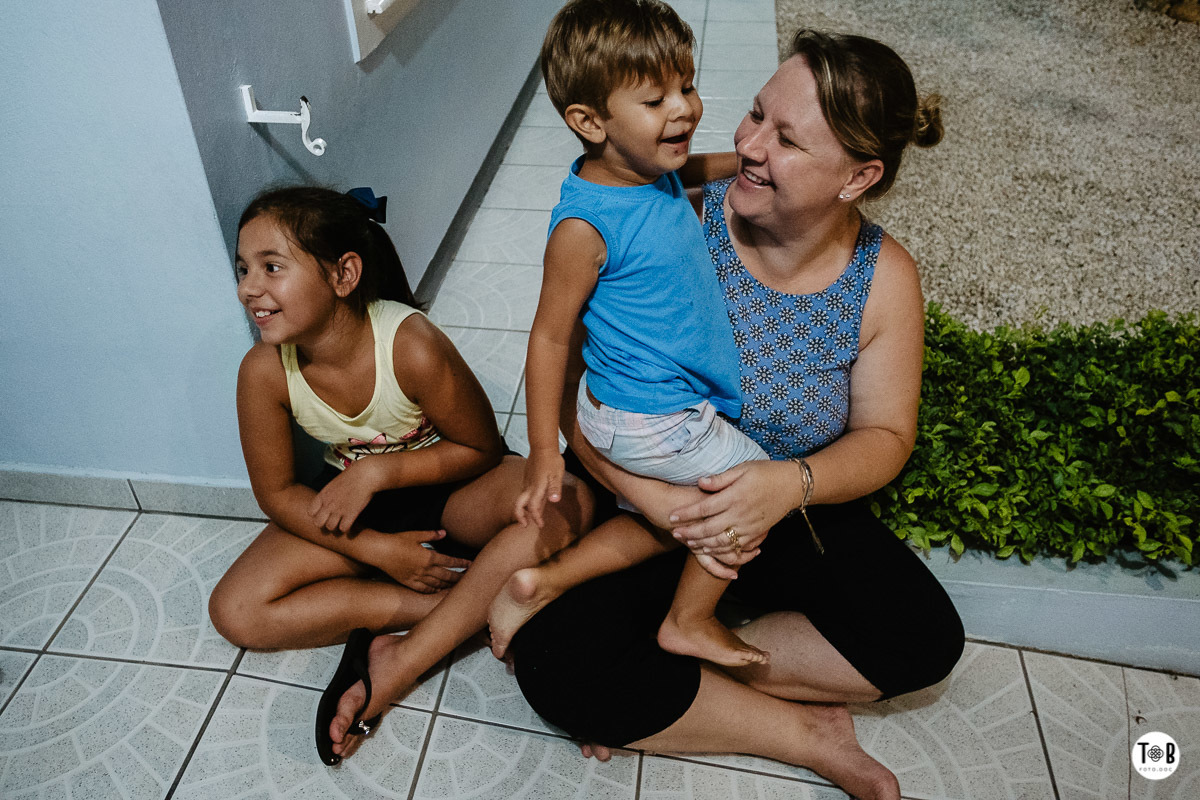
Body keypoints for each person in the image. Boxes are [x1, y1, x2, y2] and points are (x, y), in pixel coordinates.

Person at [503, 30, 966, 800]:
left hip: (786, 509)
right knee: (558, 665)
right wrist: (650, 498)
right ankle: (802, 734)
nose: (747, 144)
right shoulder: (669, 215)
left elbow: (886, 436)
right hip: (660, 509)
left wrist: (790, 484)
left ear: (858, 176)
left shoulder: (883, 278)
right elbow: (581, 388)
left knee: (922, 640)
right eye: (755, 114)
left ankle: (682, 668)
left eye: (786, 139)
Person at [207, 186, 589, 764]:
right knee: (236, 611)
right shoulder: (263, 371)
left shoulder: (409, 344)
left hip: (454, 486)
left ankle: (455, 605)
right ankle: (460, 609)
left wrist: (376, 473)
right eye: (243, 269)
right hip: (359, 509)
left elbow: (481, 448)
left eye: (271, 267)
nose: (248, 288)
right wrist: (380, 550)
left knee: (567, 502)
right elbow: (277, 494)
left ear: (343, 274)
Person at [509, 0, 773, 670]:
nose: (684, 109)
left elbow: (686, 172)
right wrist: (542, 452)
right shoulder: (584, 228)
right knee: (753, 496)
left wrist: (746, 165)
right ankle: (688, 620)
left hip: (638, 410)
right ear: (589, 122)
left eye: (686, 86)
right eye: (656, 100)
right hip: (650, 417)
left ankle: (547, 580)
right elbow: (548, 339)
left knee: (663, 522)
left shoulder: (643, 170)